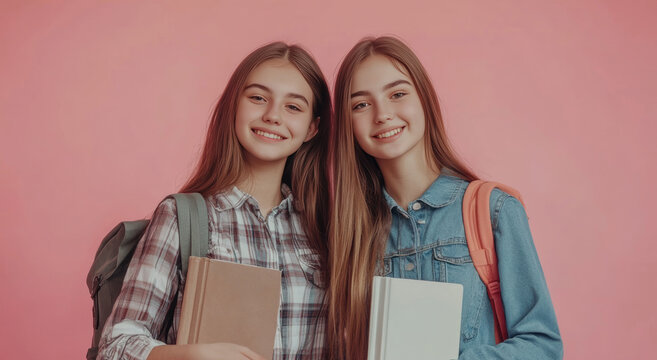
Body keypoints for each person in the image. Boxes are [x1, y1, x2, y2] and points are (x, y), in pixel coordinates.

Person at [327, 36, 563, 359]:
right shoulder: (351, 234)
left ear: (424, 98)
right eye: (361, 104)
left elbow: (544, 345)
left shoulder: (493, 211)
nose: (382, 114)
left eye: (397, 94)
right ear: (347, 124)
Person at [98, 42, 331, 360]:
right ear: (235, 106)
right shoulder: (183, 217)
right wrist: (193, 356)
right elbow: (116, 345)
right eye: (258, 98)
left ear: (312, 128)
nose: (272, 116)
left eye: (293, 107)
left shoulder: (325, 228)